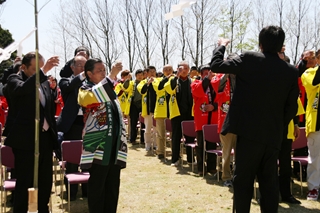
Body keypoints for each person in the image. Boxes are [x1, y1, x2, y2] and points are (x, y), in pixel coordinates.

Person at [210, 26, 299, 212]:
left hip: (248, 135)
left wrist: (221, 46)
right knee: (269, 184)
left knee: (243, 183)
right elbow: (292, 107)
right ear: (281, 45)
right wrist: (277, 125)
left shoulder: (249, 58)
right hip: (273, 137)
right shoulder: (290, 71)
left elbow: (216, 65)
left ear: (260, 43)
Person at [3, 52, 59, 213]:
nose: (39, 72)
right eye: (35, 69)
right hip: (25, 141)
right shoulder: (14, 80)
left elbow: (48, 110)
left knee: (44, 181)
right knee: (26, 181)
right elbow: (22, 90)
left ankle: (41, 209)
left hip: (45, 139)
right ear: (23, 67)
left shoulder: (45, 83)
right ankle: (23, 210)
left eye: (41, 69)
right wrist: (43, 71)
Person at [78, 58, 127, 213]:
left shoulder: (110, 89)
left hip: (114, 145)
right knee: (97, 186)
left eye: (104, 70)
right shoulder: (84, 90)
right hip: (98, 146)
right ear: (89, 74)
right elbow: (90, 99)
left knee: (113, 186)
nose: (103, 73)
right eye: (99, 70)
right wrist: (112, 76)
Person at [56, 55, 87, 201]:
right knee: (72, 161)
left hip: (88, 123)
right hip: (72, 124)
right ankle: (72, 193)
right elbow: (69, 86)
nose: (83, 69)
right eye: (80, 65)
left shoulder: (91, 82)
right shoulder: (65, 81)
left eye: (85, 66)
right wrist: (82, 75)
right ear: (72, 67)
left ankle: (87, 191)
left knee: (88, 158)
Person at [191, 64, 222, 175]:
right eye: (205, 73)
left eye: (210, 72)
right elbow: (197, 92)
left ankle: (212, 167)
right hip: (201, 119)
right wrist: (207, 79)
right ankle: (200, 168)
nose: (209, 74)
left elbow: (221, 99)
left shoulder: (216, 84)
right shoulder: (195, 83)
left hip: (213, 118)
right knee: (200, 145)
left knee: (212, 144)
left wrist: (213, 106)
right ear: (200, 74)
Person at [164, 61, 195, 167]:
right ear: (177, 70)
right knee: (176, 137)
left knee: (190, 137)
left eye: (186, 68)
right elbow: (169, 89)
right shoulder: (172, 80)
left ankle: (191, 159)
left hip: (190, 113)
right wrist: (176, 76)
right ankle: (175, 159)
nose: (184, 71)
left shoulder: (193, 81)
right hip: (177, 113)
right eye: (182, 69)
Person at [301, 51, 320, 201]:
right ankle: (313, 188)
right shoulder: (309, 72)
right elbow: (314, 83)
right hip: (316, 123)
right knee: (315, 159)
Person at [153, 65, 173, 159]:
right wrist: (166, 79)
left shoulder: (175, 79)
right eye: (166, 70)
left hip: (173, 111)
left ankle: (175, 152)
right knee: (161, 134)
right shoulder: (157, 80)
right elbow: (159, 88)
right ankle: (160, 152)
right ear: (163, 71)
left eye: (170, 70)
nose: (168, 71)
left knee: (174, 134)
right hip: (161, 111)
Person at [137, 66, 157, 151]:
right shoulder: (143, 82)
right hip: (147, 109)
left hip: (157, 109)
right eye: (150, 71)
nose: (152, 73)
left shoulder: (158, 81)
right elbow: (142, 91)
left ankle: (156, 145)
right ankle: (148, 145)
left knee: (156, 129)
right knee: (148, 129)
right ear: (147, 73)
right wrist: (148, 83)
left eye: (154, 71)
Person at [123, 69, 145, 145]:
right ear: (135, 76)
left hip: (143, 104)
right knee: (133, 122)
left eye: (141, 75)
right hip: (133, 104)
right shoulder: (132, 83)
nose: (140, 76)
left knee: (143, 123)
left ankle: (143, 139)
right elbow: (125, 88)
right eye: (138, 75)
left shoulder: (145, 83)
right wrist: (127, 80)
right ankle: (133, 139)